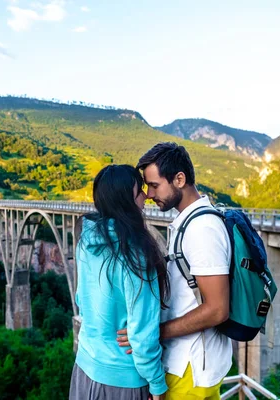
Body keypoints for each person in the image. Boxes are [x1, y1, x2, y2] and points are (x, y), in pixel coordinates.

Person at [118, 142, 232, 400]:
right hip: (184, 366)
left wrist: (152, 333)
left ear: (179, 179)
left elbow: (217, 309)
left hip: (190, 369)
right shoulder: (189, 223)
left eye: (154, 185)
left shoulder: (202, 229)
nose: (148, 194)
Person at [69, 164, 170, 400]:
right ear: (126, 201)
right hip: (122, 380)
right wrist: (157, 385)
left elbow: (80, 300)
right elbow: (142, 336)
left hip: (84, 370)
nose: (145, 196)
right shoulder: (137, 253)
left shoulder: (86, 241)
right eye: (139, 192)